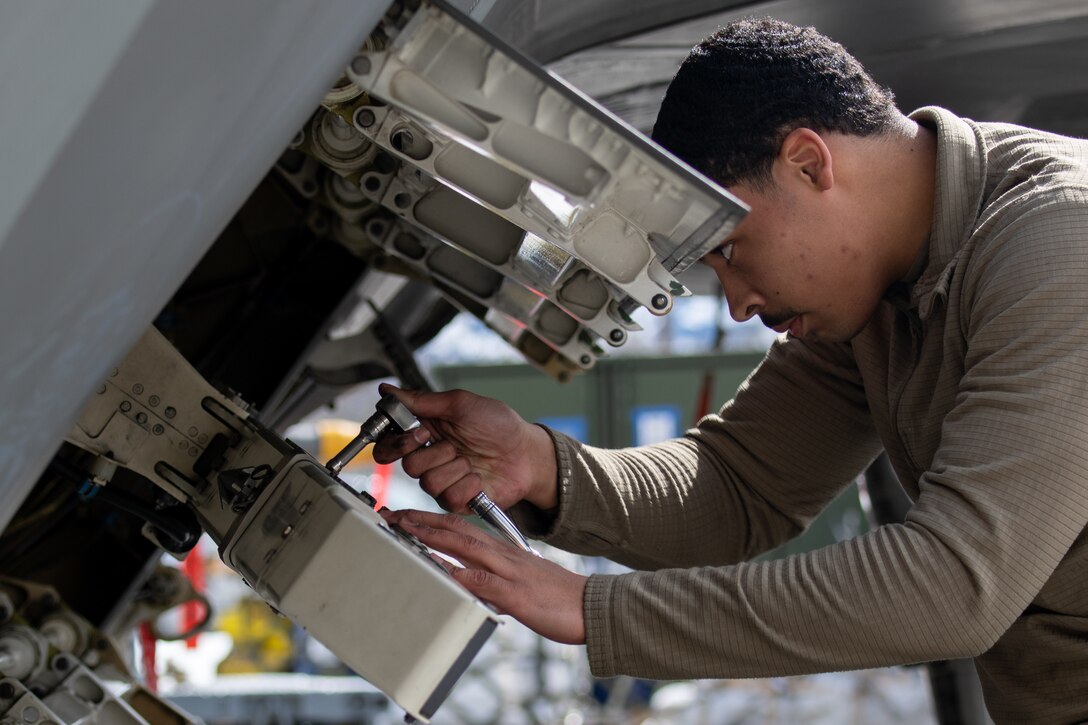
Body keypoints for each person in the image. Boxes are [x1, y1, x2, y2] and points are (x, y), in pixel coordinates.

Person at [374, 17, 1088, 723]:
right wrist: (541, 465)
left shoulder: (1059, 242)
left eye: (732, 249)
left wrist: (592, 608)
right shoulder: (871, 285)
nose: (739, 303)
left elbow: (955, 584)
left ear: (808, 163)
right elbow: (740, 483)